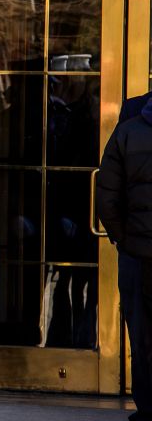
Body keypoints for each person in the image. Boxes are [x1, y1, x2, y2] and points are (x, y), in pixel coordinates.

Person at [96, 96, 152, 421]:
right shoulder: (132, 120)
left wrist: (123, 238)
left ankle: (148, 406)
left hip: (138, 250)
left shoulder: (131, 123)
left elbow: (106, 193)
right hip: (138, 248)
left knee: (143, 331)